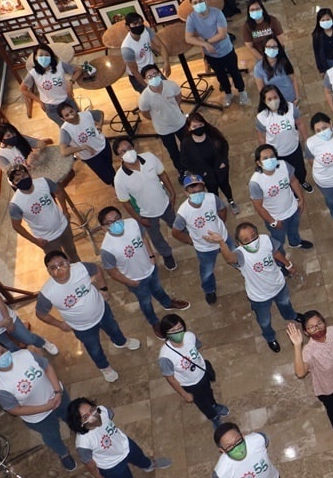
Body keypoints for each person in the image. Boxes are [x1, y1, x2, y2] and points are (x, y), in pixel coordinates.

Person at [35, 251, 140, 383]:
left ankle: (121, 342)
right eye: (53, 267)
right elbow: (40, 313)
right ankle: (104, 367)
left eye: (62, 264)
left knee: (114, 328)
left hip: (102, 311)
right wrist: (60, 324)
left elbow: (97, 269)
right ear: (48, 271)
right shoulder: (47, 293)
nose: (59, 269)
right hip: (82, 327)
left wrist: (103, 289)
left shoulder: (81, 268)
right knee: (94, 348)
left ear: (68, 262)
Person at [68, 398, 171, 478]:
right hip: (112, 467)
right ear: (80, 423)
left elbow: (110, 415)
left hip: (125, 445)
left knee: (141, 457)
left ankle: (149, 465)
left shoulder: (103, 411)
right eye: (86, 417)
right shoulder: (83, 443)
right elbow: (89, 463)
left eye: (92, 410)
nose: (94, 415)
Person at [209, 222, 302, 353]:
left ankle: (291, 315)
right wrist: (221, 243)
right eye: (246, 240)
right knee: (264, 320)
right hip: (260, 296)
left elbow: (275, 253)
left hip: (279, 285)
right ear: (239, 243)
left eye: (253, 236)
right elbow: (230, 259)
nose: (252, 241)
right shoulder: (240, 254)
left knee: (285, 303)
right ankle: (270, 337)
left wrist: (288, 265)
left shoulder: (265, 239)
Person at [98, 206, 189, 338]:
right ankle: (154, 322)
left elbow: (144, 237)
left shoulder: (133, 224)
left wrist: (151, 256)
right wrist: (130, 282)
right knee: (145, 302)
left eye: (117, 218)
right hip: (135, 280)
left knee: (158, 288)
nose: (116, 223)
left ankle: (167, 303)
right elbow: (112, 271)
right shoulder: (107, 249)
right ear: (104, 227)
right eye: (110, 222)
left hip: (150, 268)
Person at [0, 342, 75, 471]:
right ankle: (63, 453)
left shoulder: (25, 355)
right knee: (52, 436)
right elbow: (15, 409)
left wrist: (57, 392)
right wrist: (45, 407)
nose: (1, 356)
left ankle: (78, 429)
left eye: (2, 351)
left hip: (58, 395)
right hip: (39, 416)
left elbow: (47, 367)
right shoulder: (0, 387)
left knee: (71, 416)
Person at [288, 311, 333, 435]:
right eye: (311, 327)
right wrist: (297, 346)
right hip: (327, 388)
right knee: (332, 408)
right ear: (306, 333)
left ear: (325, 322)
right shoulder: (309, 351)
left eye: (319, 323)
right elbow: (300, 373)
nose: (317, 328)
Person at [112, 137, 178, 270]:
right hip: (146, 214)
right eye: (123, 151)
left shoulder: (149, 157)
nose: (128, 152)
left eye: (129, 148)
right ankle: (166, 254)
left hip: (165, 204)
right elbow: (125, 203)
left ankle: (191, 238)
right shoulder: (120, 179)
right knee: (156, 237)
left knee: (177, 225)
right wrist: (140, 219)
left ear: (134, 147)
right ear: (119, 156)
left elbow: (162, 174)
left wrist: (172, 193)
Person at [157, 314, 229, 428]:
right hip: (190, 384)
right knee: (202, 402)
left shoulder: (189, 336)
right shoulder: (165, 357)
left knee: (209, 392)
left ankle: (214, 405)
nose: (178, 332)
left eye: (180, 328)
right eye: (173, 330)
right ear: (165, 333)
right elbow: (170, 379)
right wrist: (184, 394)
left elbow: (197, 347)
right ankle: (213, 417)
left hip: (202, 372)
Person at [172, 174, 233, 305]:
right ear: (186, 193)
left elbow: (222, 210)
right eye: (193, 192)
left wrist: (219, 225)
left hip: (223, 238)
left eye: (200, 191)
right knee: (206, 272)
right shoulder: (183, 212)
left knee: (236, 257)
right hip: (205, 248)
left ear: (204, 189)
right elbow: (176, 232)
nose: (197, 194)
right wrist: (191, 241)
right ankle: (209, 290)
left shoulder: (212, 198)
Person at [184, 0, 249, 107]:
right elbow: (188, 38)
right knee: (220, 75)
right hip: (211, 54)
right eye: (195, 3)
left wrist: (206, 42)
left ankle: (242, 91)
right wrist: (205, 45)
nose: (198, 4)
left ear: (205, 1)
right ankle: (228, 92)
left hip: (226, 50)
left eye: (200, 1)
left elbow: (222, 34)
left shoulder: (217, 13)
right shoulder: (191, 18)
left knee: (234, 72)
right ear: (191, 5)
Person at [249, 144, 313, 255]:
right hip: (276, 218)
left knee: (294, 230)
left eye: (272, 156)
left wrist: (301, 199)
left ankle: (295, 242)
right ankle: (280, 258)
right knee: (278, 240)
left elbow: (293, 181)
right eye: (265, 158)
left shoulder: (284, 165)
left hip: (293, 209)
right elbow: (258, 207)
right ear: (258, 163)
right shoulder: (256, 182)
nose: (270, 160)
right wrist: (272, 222)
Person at [6, 165, 79, 262]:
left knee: (72, 252)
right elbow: (16, 226)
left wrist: (65, 211)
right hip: (47, 239)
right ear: (14, 185)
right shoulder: (15, 204)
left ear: (29, 174)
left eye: (23, 176)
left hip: (63, 226)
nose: (22, 180)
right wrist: (35, 241)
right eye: (17, 180)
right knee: (57, 261)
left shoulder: (43, 182)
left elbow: (59, 191)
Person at [254, 85, 311, 192]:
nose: (273, 101)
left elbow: (300, 123)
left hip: (294, 148)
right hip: (277, 154)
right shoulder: (261, 118)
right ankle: (290, 188)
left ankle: (302, 181)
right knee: (283, 173)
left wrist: (306, 140)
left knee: (300, 170)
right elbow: (261, 137)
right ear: (264, 101)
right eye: (269, 99)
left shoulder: (290, 108)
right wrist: (266, 154)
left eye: (275, 97)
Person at [180, 113, 239, 213]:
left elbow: (224, 145)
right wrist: (200, 172)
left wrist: (224, 161)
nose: (198, 128)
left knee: (225, 186)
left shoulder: (212, 134)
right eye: (194, 126)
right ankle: (218, 205)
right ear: (189, 128)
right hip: (205, 173)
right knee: (212, 190)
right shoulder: (186, 143)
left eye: (200, 125)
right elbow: (185, 161)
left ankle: (231, 200)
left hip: (220, 168)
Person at [137, 64, 187, 179]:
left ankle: (193, 164)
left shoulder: (171, 85)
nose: (153, 78)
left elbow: (178, 97)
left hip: (179, 122)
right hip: (164, 130)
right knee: (173, 152)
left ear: (160, 74)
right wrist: (159, 118)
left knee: (187, 146)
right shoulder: (144, 97)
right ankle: (182, 170)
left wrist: (174, 109)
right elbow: (145, 113)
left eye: (155, 74)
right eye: (149, 76)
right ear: (145, 80)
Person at [19, 43, 83, 126]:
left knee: (80, 121)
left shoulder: (60, 65)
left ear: (51, 56)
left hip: (67, 100)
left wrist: (71, 82)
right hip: (51, 107)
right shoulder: (33, 73)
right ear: (35, 57)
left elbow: (78, 70)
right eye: (41, 55)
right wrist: (39, 101)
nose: (44, 58)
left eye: (47, 55)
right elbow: (23, 89)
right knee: (65, 127)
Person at [58, 102, 115, 185]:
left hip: (103, 145)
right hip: (91, 157)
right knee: (109, 177)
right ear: (62, 119)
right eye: (67, 115)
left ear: (74, 109)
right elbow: (64, 151)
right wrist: (83, 147)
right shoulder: (65, 130)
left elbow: (100, 113)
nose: (71, 115)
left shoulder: (86, 114)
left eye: (71, 111)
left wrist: (99, 126)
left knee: (109, 167)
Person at [120, 12, 171, 93]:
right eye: (135, 24)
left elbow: (161, 45)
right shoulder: (127, 48)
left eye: (140, 23)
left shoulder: (146, 30)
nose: (138, 26)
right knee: (154, 97)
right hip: (139, 75)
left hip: (151, 68)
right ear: (128, 27)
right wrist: (148, 87)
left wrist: (167, 62)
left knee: (167, 91)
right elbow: (135, 72)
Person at [252, 37, 300, 107]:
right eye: (268, 47)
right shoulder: (258, 68)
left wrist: (297, 98)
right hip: (275, 104)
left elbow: (294, 79)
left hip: (290, 100)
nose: (271, 49)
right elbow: (262, 91)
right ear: (264, 49)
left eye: (274, 47)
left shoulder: (284, 61)